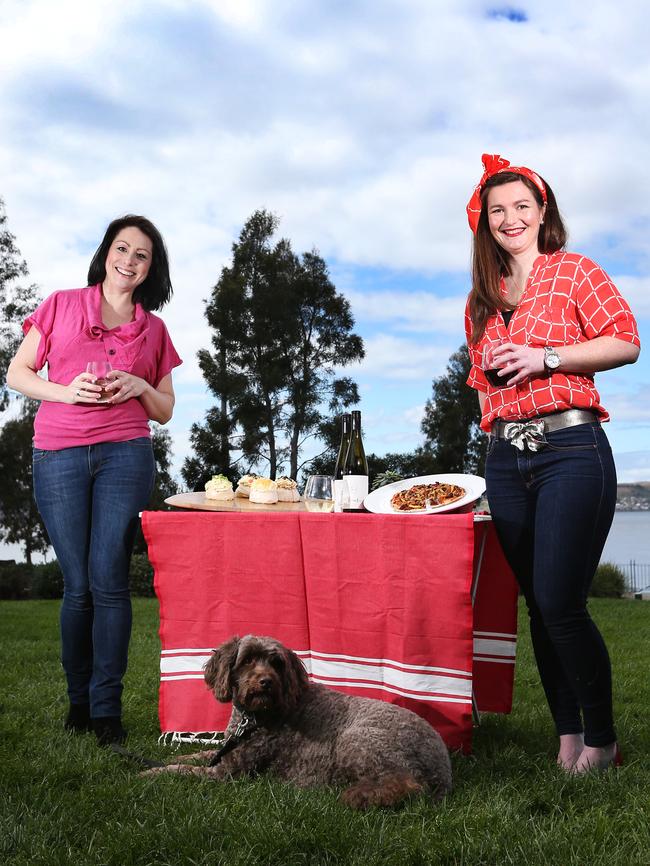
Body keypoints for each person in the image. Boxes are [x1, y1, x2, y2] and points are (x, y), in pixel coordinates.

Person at [464, 154, 640, 773]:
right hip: (506, 460)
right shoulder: (480, 300)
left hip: (572, 448)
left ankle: (603, 739)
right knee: (538, 603)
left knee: (563, 600)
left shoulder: (574, 272)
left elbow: (626, 340)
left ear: (542, 214)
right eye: (497, 211)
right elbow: (486, 386)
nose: (510, 219)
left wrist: (548, 358)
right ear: (484, 224)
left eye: (521, 207)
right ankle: (568, 735)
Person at [7, 215, 182, 746]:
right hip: (57, 455)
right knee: (78, 585)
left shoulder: (154, 330)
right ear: (106, 252)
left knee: (108, 580)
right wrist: (66, 391)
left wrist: (136, 384)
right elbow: (17, 373)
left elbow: (166, 409)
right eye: (122, 248)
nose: (129, 260)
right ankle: (77, 702)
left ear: (152, 268)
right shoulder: (60, 304)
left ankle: (106, 711)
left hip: (124, 456)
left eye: (142, 255)